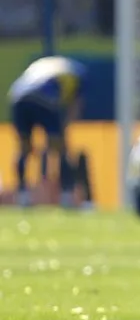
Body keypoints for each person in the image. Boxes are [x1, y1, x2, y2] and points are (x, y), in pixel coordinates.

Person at [8, 56, 86, 208]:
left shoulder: (41, 65)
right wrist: (63, 130)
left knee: (24, 148)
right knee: (61, 149)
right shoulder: (78, 73)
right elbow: (75, 106)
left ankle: (23, 195)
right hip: (45, 98)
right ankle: (66, 196)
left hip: (17, 98)